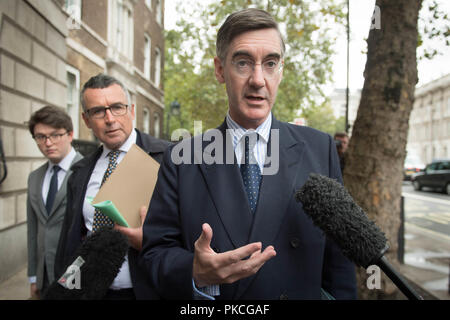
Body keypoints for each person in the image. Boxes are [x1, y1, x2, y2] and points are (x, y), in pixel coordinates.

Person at [140, 8, 357, 299]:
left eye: (270, 63)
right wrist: (193, 270)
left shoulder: (320, 149)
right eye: (243, 63)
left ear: (281, 71)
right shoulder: (182, 158)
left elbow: (339, 264)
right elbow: (154, 254)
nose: (257, 79)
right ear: (219, 70)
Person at [54, 73, 170, 300]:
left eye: (117, 107)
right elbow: (70, 241)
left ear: (132, 111)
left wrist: (149, 241)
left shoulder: (169, 158)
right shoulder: (79, 173)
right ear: (86, 120)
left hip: (147, 291)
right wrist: (65, 286)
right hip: (92, 292)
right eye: (98, 111)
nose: (109, 118)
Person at [26, 106, 83, 299]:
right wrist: (33, 276)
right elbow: (33, 230)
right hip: (43, 278)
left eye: (55, 135)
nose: (48, 143)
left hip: (75, 278)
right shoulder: (34, 177)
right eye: (40, 137)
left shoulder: (88, 172)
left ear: (70, 134)